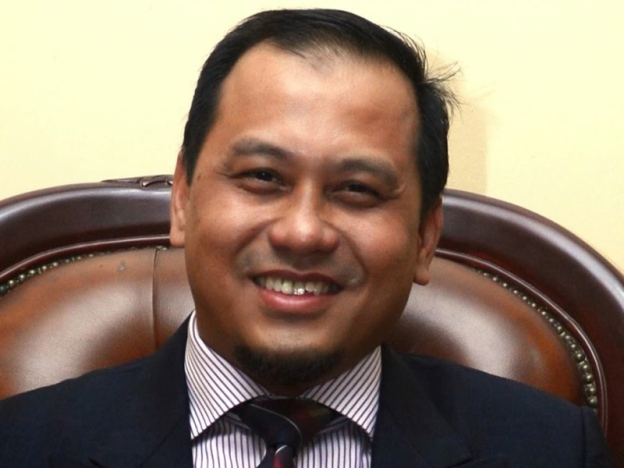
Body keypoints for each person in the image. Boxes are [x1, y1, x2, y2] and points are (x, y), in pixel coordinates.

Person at [0, 8, 612, 467]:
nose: (303, 232)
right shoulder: (21, 444)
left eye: (357, 189)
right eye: (263, 177)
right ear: (183, 199)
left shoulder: (553, 450)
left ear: (426, 237)